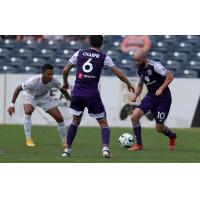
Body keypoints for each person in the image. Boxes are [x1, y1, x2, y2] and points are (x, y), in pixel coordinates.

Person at [62, 35, 135, 158]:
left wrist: (65, 82)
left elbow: (65, 70)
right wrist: (128, 83)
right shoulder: (104, 57)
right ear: (102, 44)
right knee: (103, 124)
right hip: (92, 93)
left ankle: (67, 150)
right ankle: (105, 149)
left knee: (75, 121)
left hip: (78, 92)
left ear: (90, 42)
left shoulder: (79, 53)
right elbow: (119, 73)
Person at [7, 64, 71, 147]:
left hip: (44, 97)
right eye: (48, 74)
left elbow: (63, 90)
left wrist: (70, 100)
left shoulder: (54, 81)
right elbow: (18, 88)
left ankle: (64, 141)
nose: (51, 76)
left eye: (52, 74)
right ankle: (29, 139)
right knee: (28, 111)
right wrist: (12, 105)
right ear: (43, 73)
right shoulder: (32, 81)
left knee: (60, 118)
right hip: (30, 96)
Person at [128, 50, 177, 151]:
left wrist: (161, 88)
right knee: (134, 117)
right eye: (135, 60)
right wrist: (136, 95)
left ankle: (172, 136)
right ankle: (139, 145)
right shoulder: (140, 69)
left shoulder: (155, 66)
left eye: (138, 60)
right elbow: (140, 85)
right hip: (151, 97)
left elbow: (170, 76)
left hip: (164, 98)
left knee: (159, 128)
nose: (136, 63)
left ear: (144, 57)